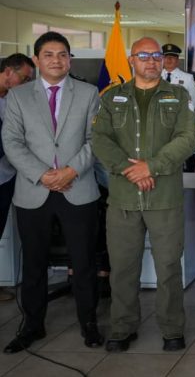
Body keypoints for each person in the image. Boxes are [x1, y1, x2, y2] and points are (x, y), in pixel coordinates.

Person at [92, 37, 195, 353]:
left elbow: (186, 139)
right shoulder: (113, 98)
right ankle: (122, 328)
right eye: (144, 56)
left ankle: (171, 329)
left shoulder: (177, 96)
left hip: (164, 198)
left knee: (168, 267)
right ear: (131, 59)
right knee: (123, 267)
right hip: (123, 199)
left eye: (155, 56)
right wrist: (129, 169)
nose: (151, 61)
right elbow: (100, 140)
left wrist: (151, 166)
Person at [1, 32, 103, 353]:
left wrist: (71, 171)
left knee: (84, 261)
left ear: (69, 59)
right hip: (34, 191)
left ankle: (89, 322)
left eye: (62, 54)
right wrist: (43, 175)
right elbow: (12, 142)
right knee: (33, 263)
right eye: (48, 54)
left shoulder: (88, 93)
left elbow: (96, 139)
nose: (56, 60)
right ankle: (32, 325)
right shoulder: (18, 96)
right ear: (36, 60)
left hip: (79, 187)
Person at [0, 54, 35, 302]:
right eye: (23, 78)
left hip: (6, 178)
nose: (24, 84)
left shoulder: (11, 100)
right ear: (7, 72)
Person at [161, 43, 195, 112]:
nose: (169, 59)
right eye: (166, 56)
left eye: (172, 57)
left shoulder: (188, 78)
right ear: (162, 59)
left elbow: (193, 102)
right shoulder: (155, 77)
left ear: (178, 60)